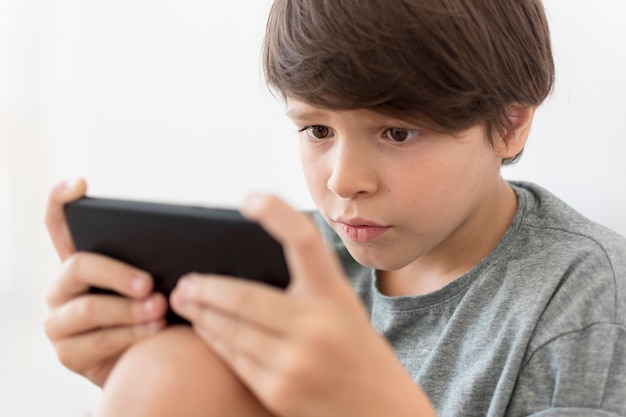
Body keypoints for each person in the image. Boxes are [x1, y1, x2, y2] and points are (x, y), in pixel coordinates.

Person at [44, 0, 626, 416]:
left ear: (510, 122)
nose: (344, 180)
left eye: (398, 133)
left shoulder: (583, 294)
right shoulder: (293, 266)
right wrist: (129, 371)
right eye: (317, 128)